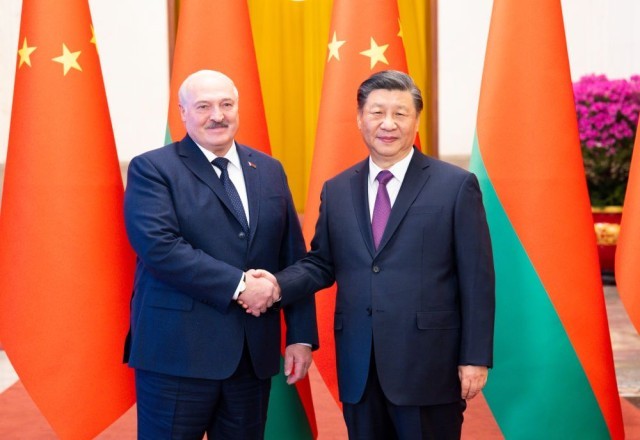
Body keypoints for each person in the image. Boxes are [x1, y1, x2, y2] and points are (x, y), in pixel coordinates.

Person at [252, 70, 495, 439]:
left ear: (416, 120)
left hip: (428, 366)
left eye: (400, 113)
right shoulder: (337, 190)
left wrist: (474, 357)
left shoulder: (455, 185)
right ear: (359, 118)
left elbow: (477, 278)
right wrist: (275, 284)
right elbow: (321, 263)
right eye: (377, 112)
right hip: (360, 367)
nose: (388, 123)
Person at [123, 69, 318, 440]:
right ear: (183, 112)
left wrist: (301, 335)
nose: (217, 115)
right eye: (203, 106)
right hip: (177, 357)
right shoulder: (153, 169)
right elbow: (160, 247)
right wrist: (241, 285)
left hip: (251, 358)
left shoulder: (269, 170)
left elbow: (293, 256)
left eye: (226, 104)